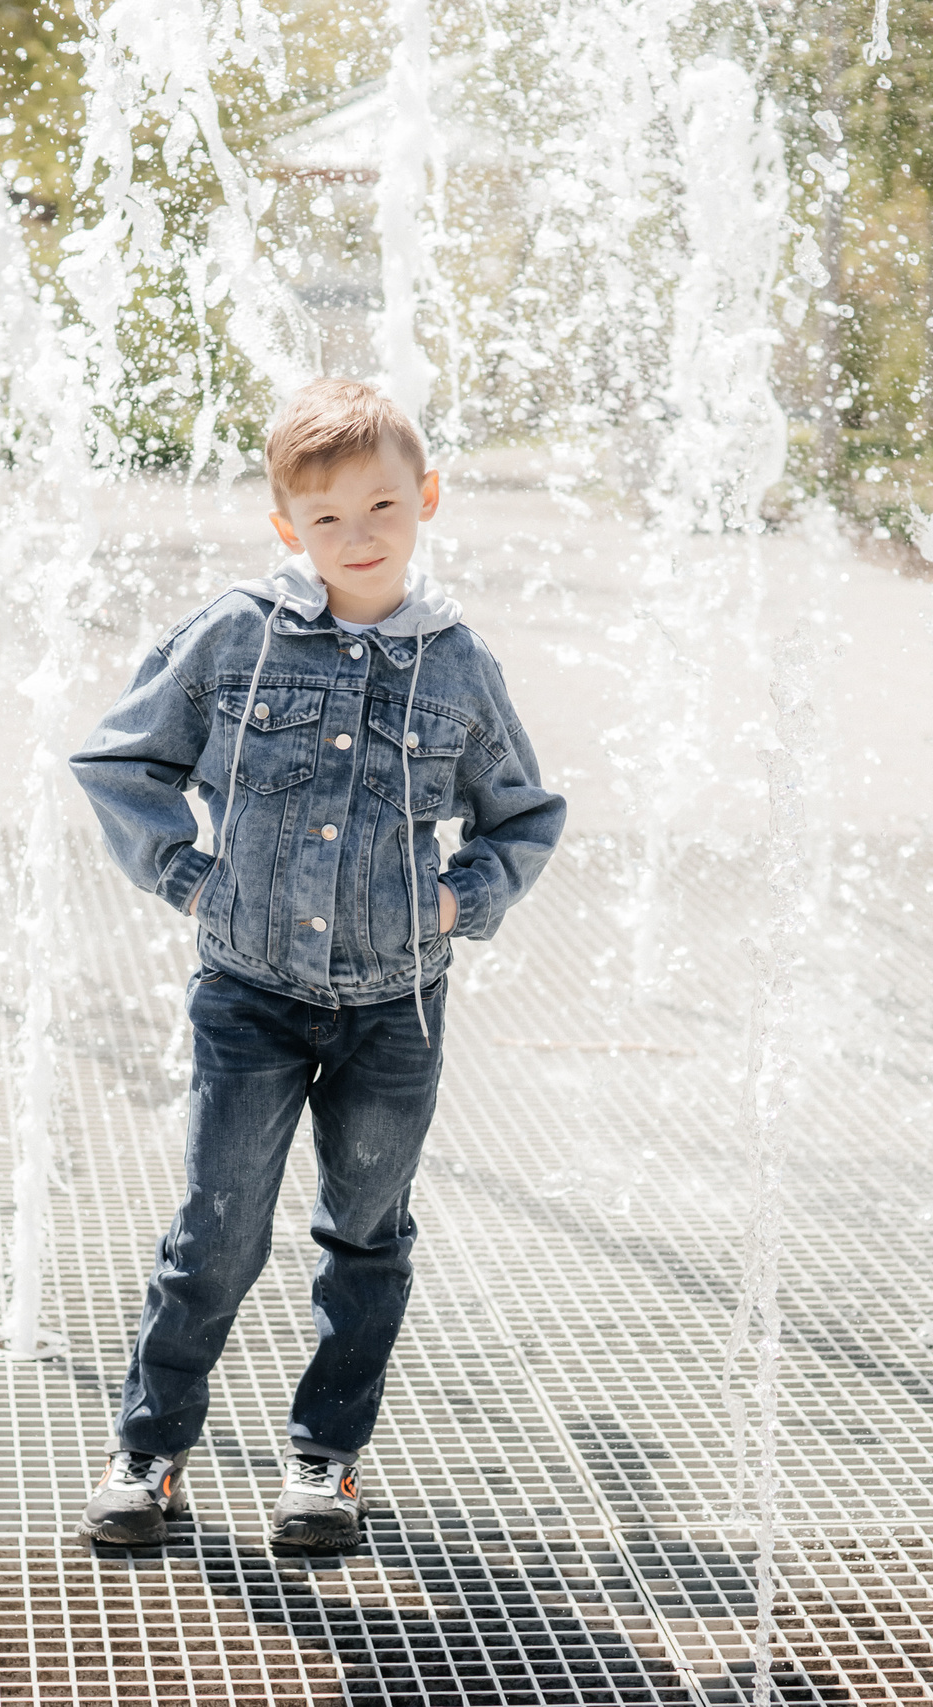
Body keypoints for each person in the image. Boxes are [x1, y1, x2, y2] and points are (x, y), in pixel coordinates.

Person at [67, 377, 566, 1551]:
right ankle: (150, 1452)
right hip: (250, 993)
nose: (357, 537)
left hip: (397, 1008)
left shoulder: (457, 666)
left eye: (383, 508)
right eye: (327, 519)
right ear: (287, 525)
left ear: (427, 499)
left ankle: (325, 1463)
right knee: (217, 1224)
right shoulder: (237, 633)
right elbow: (118, 761)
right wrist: (193, 880)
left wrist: (462, 898)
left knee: (366, 1230)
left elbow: (523, 815)